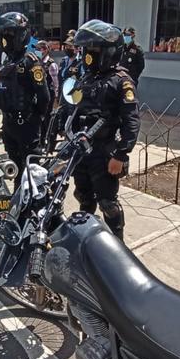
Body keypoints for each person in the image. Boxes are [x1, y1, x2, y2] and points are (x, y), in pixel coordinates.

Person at [66, 19, 140, 240]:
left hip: (105, 151)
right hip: (82, 151)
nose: (88, 54)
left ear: (109, 51)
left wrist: (121, 153)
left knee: (108, 203)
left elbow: (132, 121)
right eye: (86, 49)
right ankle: (84, 237)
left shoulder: (122, 81)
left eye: (94, 49)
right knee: (83, 196)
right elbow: (73, 110)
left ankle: (118, 244)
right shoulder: (85, 78)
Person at [0, 12, 50, 181]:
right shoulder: (7, 62)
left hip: (27, 126)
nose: (4, 40)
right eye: (2, 35)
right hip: (9, 124)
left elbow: (44, 97)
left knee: (32, 172)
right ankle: (19, 202)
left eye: (8, 35)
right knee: (16, 170)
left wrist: (35, 118)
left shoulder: (30, 62)